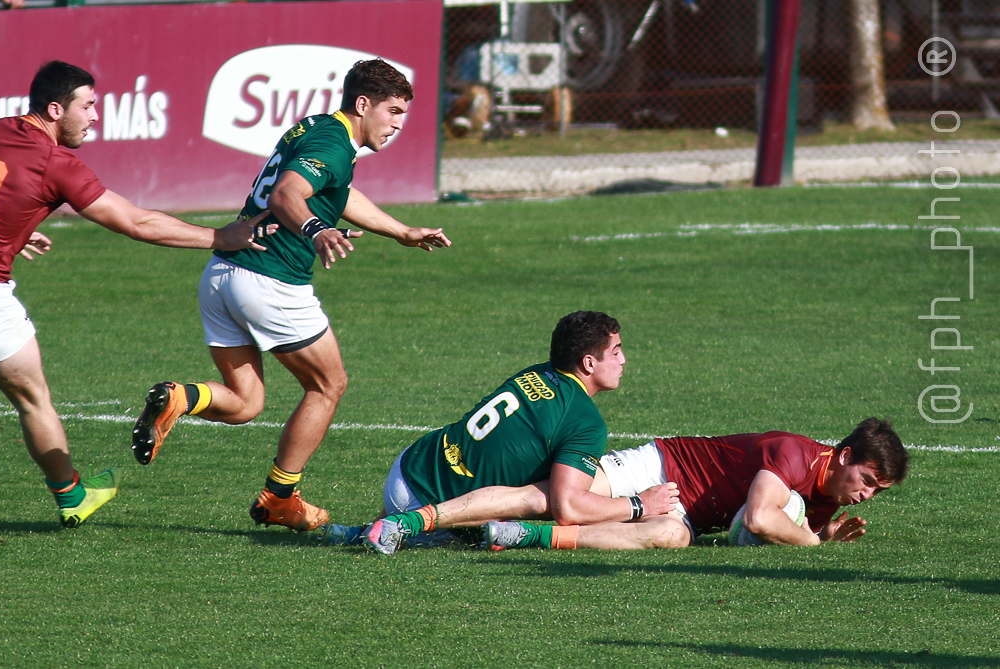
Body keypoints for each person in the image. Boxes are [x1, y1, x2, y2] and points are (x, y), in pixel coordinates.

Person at [0, 60, 273, 529]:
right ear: (56, 109)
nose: (96, 115)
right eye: (89, 106)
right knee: (34, 401)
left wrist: (11, 223)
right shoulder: (56, 163)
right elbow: (137, 223)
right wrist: (220, 237)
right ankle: (73, 495)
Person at [131, 58, 451, 532]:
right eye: (394, 111)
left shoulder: (322, 129)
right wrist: (318, 229)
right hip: (269, 281)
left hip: (222, 276)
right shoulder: (333, 144)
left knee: (246, 403)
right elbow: (287, 194)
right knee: (328, 385)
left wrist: (399, 230)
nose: (399, 124)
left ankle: (182, 397)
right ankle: (280, 497)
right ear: (363, 104)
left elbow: (336, 192)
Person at [330, 310, 678, 553]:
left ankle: (362, 532)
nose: (623, 360)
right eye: (615, 352)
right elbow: (569, 509)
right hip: (430, 502)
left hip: (413, 462)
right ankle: (403, 528)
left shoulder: (538, 372)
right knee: (551, 495)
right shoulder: (585, 420)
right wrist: (638, 504)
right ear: (589, 363)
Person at [482, 417, 909, 551]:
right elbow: (760, 519)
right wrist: (812, 543)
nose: (867, 495)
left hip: (685, 515)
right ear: (845, 456)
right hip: (662, 468)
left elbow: (783, 530)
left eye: (878, 491)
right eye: (868, 481)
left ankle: (525, 536)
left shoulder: (828, 494)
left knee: (671, 537)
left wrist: (822, 533)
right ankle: (435, 516)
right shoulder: (795, 455)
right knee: (550, 499)